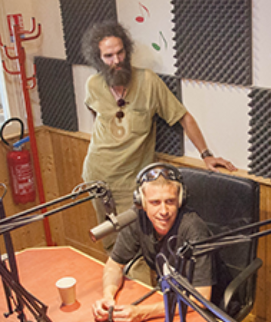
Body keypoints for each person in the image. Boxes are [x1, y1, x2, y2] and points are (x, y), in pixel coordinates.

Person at [80, 21, 236, 244]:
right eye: (108, 56)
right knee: (109, 242)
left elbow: (183, 116)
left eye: (120, 52)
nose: (117, 60)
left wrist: (206, 154)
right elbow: (97, 117)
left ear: (127, 50)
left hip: (131, 181)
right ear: (98, 59)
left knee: (136, 245)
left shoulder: (148, 81)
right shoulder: (93, 85)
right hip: (97, 176)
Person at [91, 163, 216, 322]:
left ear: (180, 200)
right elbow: (114, 265)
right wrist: (108, 297)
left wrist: (142, 313)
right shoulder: (137, 217)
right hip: (169, 298)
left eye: (170, 201)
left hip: (200, 311)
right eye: (155, 202)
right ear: (141, 202)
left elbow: (201, 298)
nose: (163, 211)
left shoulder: (194, 229)